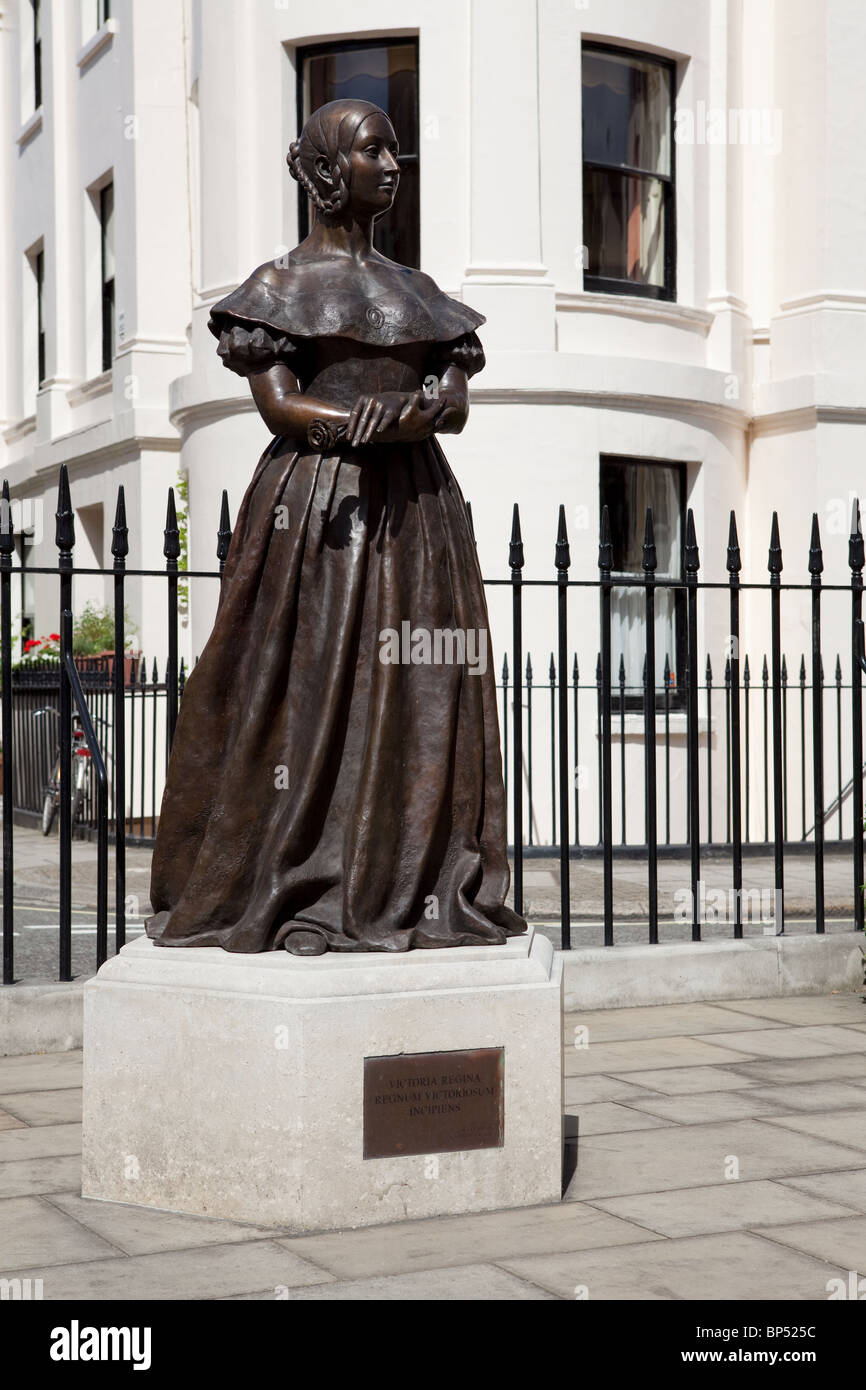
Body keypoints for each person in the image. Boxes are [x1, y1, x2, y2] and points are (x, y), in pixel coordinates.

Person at [145, 98, 526, 955]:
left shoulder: (419, 294)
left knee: (420, 694)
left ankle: (405, 879)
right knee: (306, 695)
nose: (391, 163)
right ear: (324, 171)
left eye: (395, 148)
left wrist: (416, 409)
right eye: (370, 150)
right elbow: (279, 404)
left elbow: (453, 403)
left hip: (418, 515)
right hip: (318, 509)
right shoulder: (276, 290)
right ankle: (300, 886)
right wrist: (364, 421)